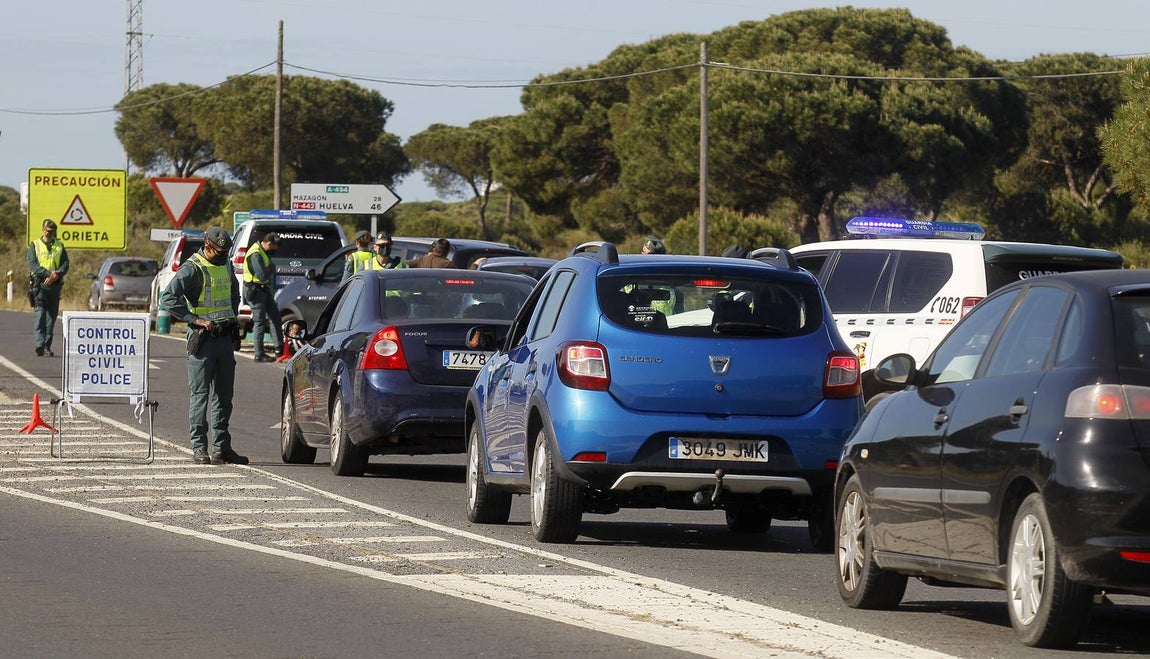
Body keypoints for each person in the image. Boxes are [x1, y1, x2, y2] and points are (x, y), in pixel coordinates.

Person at [160, 226, 248, 466]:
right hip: (203, 340)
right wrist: (194, 319)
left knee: (224, 396)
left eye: (226, 251)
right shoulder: (192, 268)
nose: (224, 255)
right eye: (220, 251)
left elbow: (233, 291)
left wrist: (232, 319)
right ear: (208, 246)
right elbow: (167, 299)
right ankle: (199, 447)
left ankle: (222, 447)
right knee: (200, 395)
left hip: (224, 338)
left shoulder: (226, 263)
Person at [27, 218, 70, 357]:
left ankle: (46, 345)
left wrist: (56, 274)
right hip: (40, 285)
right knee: (40, 315)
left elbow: (65, 264)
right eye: (47, 231)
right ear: (43, 230)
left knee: (51, 317)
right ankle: (39, 343)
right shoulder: (34, 245)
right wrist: (48, 274)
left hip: (55, 286)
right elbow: (32, 265)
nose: (49, 233)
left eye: (52, 231)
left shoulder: (59, 246)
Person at [244, 232, 283, 362]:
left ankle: (279, 349)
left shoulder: (264, 252)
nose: (274, 251)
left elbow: (272, 268)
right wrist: (269, 271)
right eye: (274, 248)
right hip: (254, 289)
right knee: (259, 321)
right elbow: (262, 275)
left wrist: (269, 270)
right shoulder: (256, 253)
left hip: (263, 288)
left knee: (275, 317)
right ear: (269, 244)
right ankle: (259, 353)